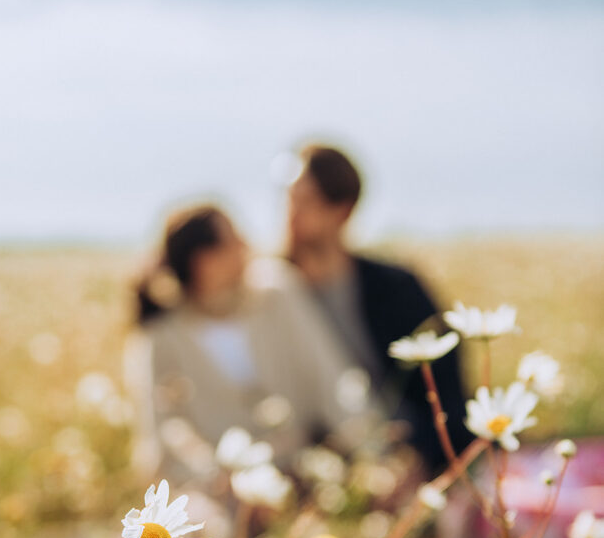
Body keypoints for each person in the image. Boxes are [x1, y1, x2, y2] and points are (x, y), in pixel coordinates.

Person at [124, 204, 381, 480]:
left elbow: (330, 378)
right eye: (233, 239)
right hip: (217, 493)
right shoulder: (161, 336)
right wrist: (221, 483)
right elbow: (164, 430)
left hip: (308, 473)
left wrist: (375, 452)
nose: (246, 244)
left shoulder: (278, 294)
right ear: (204, 262)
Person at [284, 144, 471, 473]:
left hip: (406, 454)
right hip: (316, 464)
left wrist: (418, 457)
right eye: (289, 197)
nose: (291, 212)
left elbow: (447, 389)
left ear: (342, 210)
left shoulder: (398, 287)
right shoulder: (270, 292)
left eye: (306, 200)